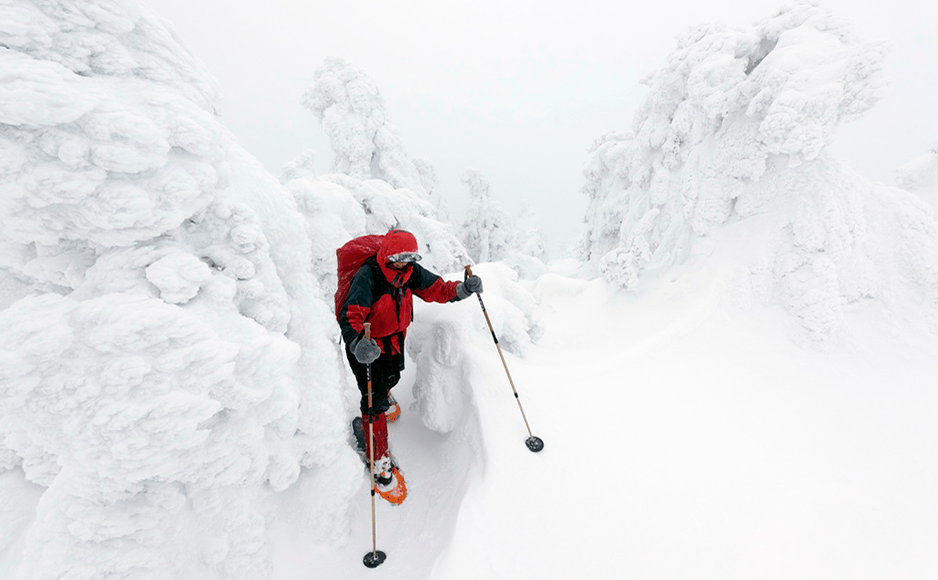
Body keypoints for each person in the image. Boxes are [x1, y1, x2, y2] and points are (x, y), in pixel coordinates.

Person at [337, 229, 483, 504]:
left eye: (410, 258)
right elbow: (350, 314)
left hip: (393, 338)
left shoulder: (410, 272)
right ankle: (379, 462)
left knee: (392, 378)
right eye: (399, 258)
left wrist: (462, 290)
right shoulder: (368, 276)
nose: (404, 263)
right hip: (367, 346)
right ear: (387, 256)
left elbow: (436, 289)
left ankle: (383, 397)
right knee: (374, 401)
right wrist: (357, 344)